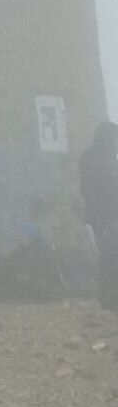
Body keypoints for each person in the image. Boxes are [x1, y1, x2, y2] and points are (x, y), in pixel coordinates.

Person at [78, 121, 118, 311]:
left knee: (108, 254)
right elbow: (101, 189)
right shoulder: (100, 159)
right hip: (105, 216)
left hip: (103, 215)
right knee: (109, 255)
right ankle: (109, 296)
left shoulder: (93, 157)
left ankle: (108, 295)